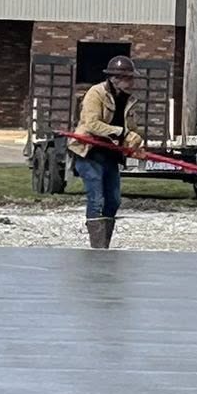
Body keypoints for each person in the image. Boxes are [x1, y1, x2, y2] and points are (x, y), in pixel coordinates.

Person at [67, 56, 146, 249]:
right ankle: (98, 247)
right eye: (129, 78)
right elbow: (91, 124)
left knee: (114, 200)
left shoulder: (129, 100)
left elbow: (132, 129)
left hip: (110, 154)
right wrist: (121, 133)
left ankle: (104, 243)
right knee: (97, 198)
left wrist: (135, 143)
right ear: (116, 78)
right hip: (90, 152)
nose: (132, 82)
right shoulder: (96, 93)